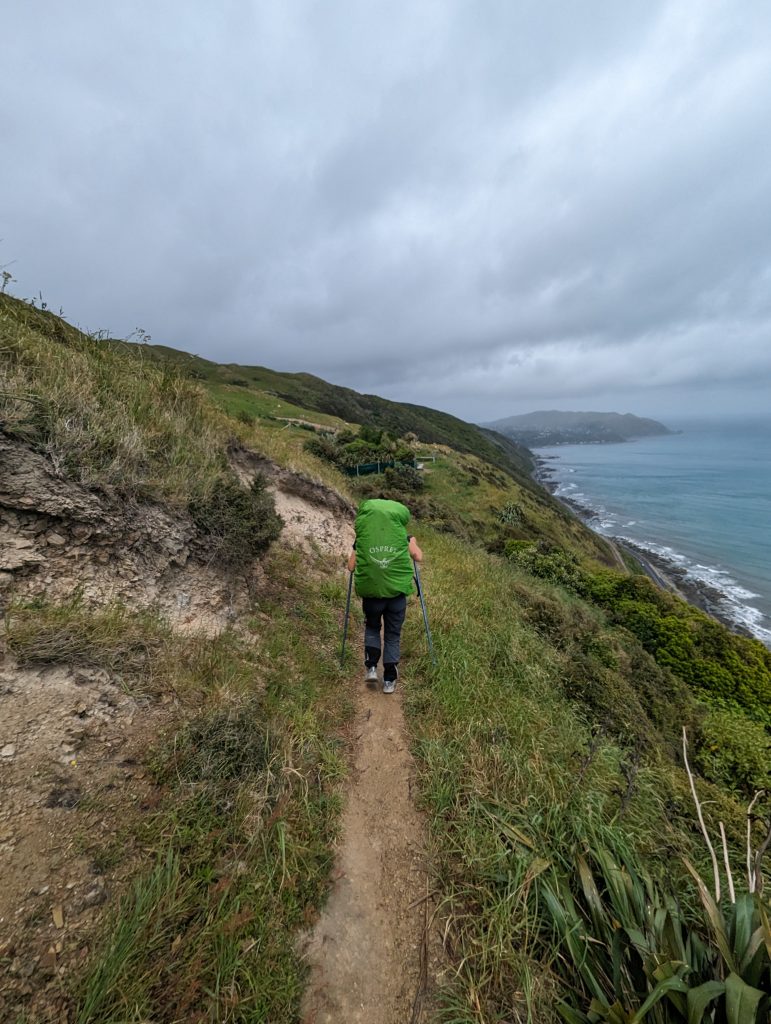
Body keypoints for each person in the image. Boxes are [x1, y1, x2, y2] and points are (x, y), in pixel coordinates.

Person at [347, 497, 423, 694]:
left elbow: (351, 566)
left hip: (372, 596)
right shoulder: (402, 536)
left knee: (372, 627)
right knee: (392, 635)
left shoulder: (363, 538)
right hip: (396, 597)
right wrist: (412, 541)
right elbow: (418, 557)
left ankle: (371, 668)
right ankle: (389, 679)